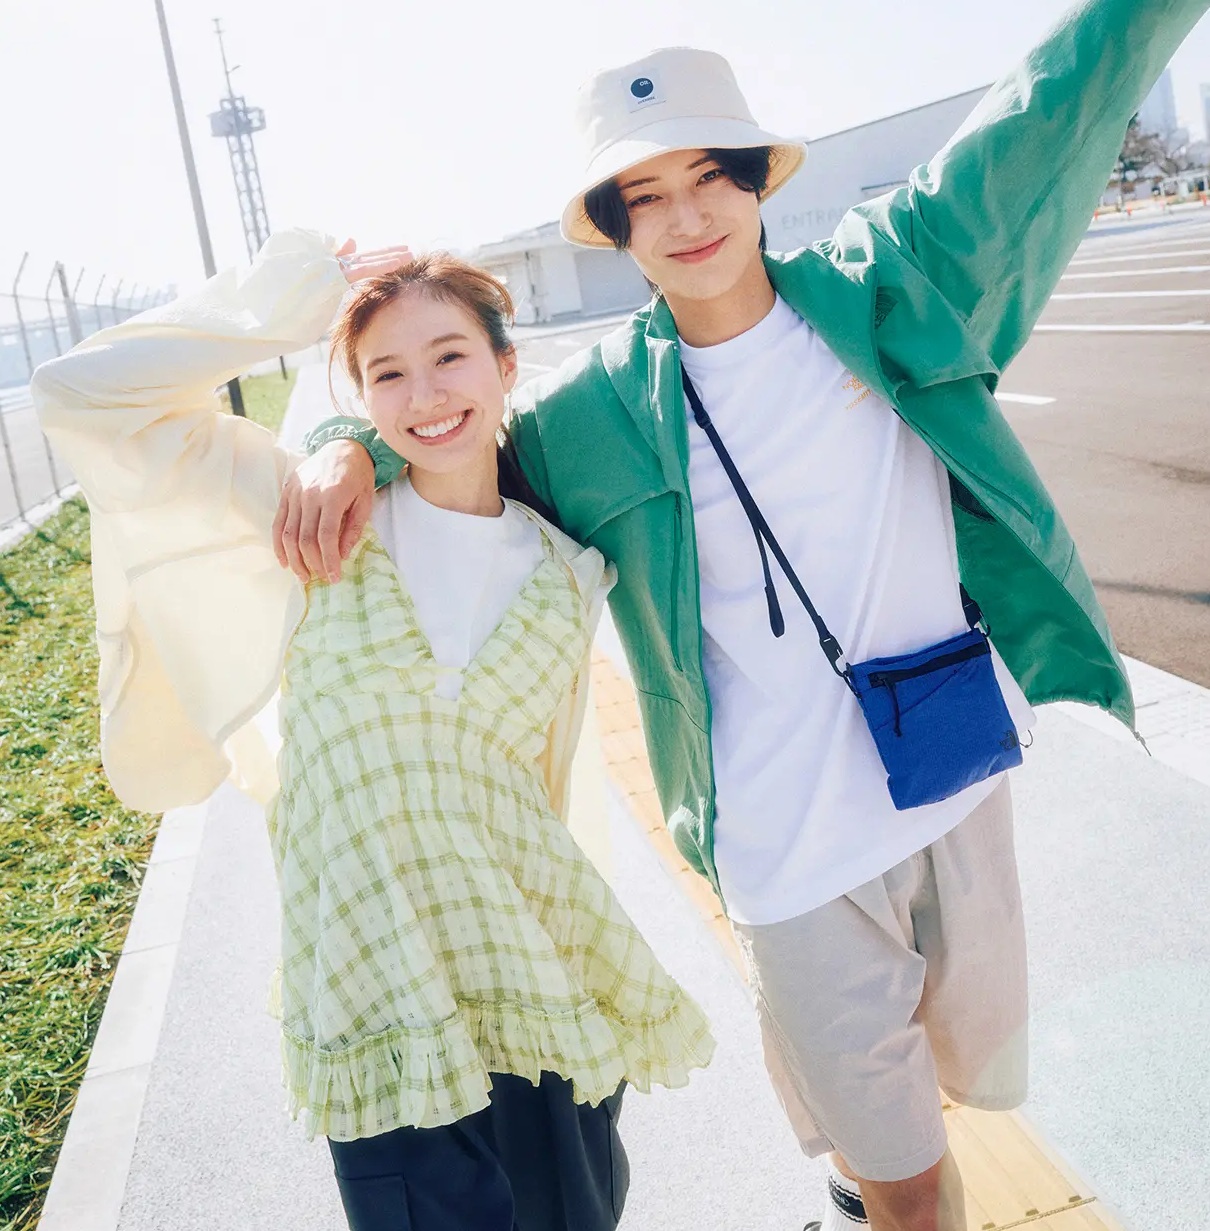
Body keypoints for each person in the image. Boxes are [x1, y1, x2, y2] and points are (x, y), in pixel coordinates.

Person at [284, 3, 1210, 1228]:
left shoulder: (892, 284)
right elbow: (447, 432)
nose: (686, 217)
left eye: (709, 177)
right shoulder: (592, 415)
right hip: (785, 849)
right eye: (646, 197)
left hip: (954, 783)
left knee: (968, 1080)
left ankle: (859, 1167)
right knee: (912, 1186)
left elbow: (1049, 103)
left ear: (757, 181)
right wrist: (345, 445)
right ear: (617, 229)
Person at [30, 231, 715, 1231]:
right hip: (375, 996)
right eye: (386, 372)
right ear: (357, 394)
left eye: (450, 355)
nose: (425, 392)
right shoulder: (303, 515)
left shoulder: (568, 573)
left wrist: (364, 441)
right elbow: (79, 394)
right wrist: (288, 301)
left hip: (534, 978)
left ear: (506, 365)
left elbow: (550, 785)